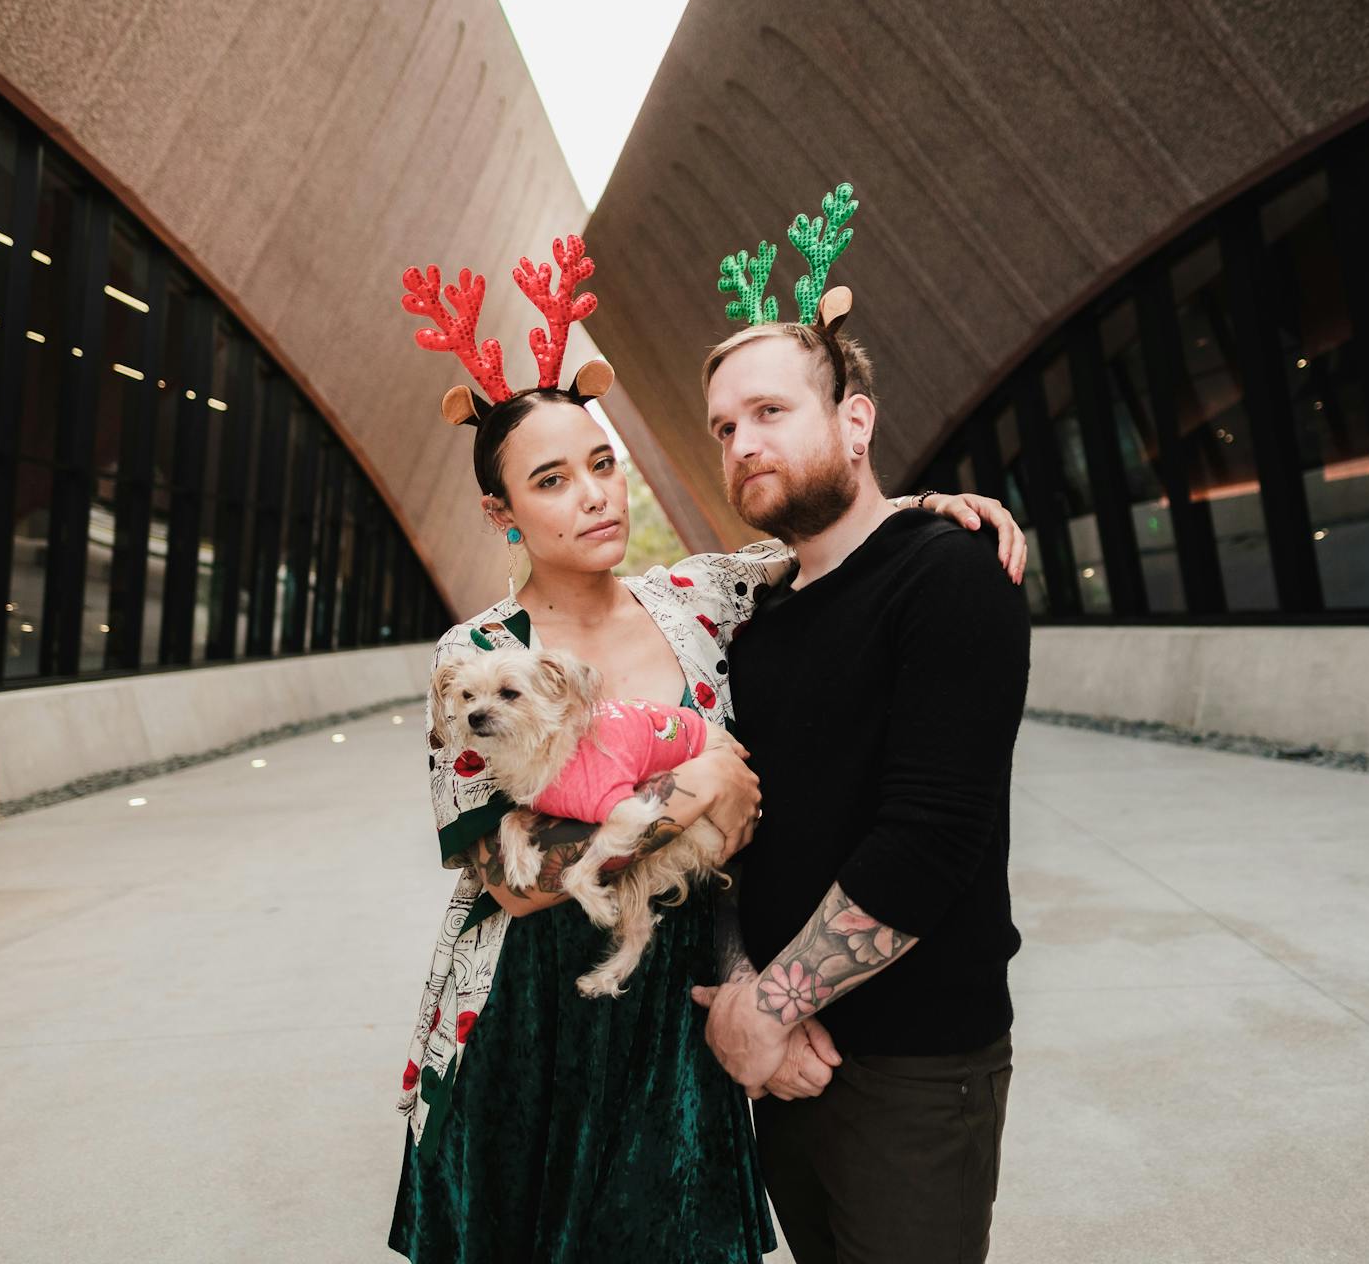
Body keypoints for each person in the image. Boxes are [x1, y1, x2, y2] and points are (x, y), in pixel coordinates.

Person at [386, 233, 1025, 1263]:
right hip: (532, 1014)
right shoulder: (477, 657)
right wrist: (686, 793)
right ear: (501, 512)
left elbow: (826, 539)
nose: (595, 494)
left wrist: (928, 506)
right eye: (552, 480)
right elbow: (503, 875)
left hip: (682, 1011)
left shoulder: (698, 600)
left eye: (602, 463)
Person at [693, 188, 1032, 1264]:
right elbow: (745, 839)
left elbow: (929, 837)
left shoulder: (947, 576)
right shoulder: (757, 623)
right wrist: (751, 997)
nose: (743, 441)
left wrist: (766, 1008)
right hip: (793, 1064)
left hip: (916, 1068)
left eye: (770, 411)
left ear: (854, 420)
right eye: (724, 427)